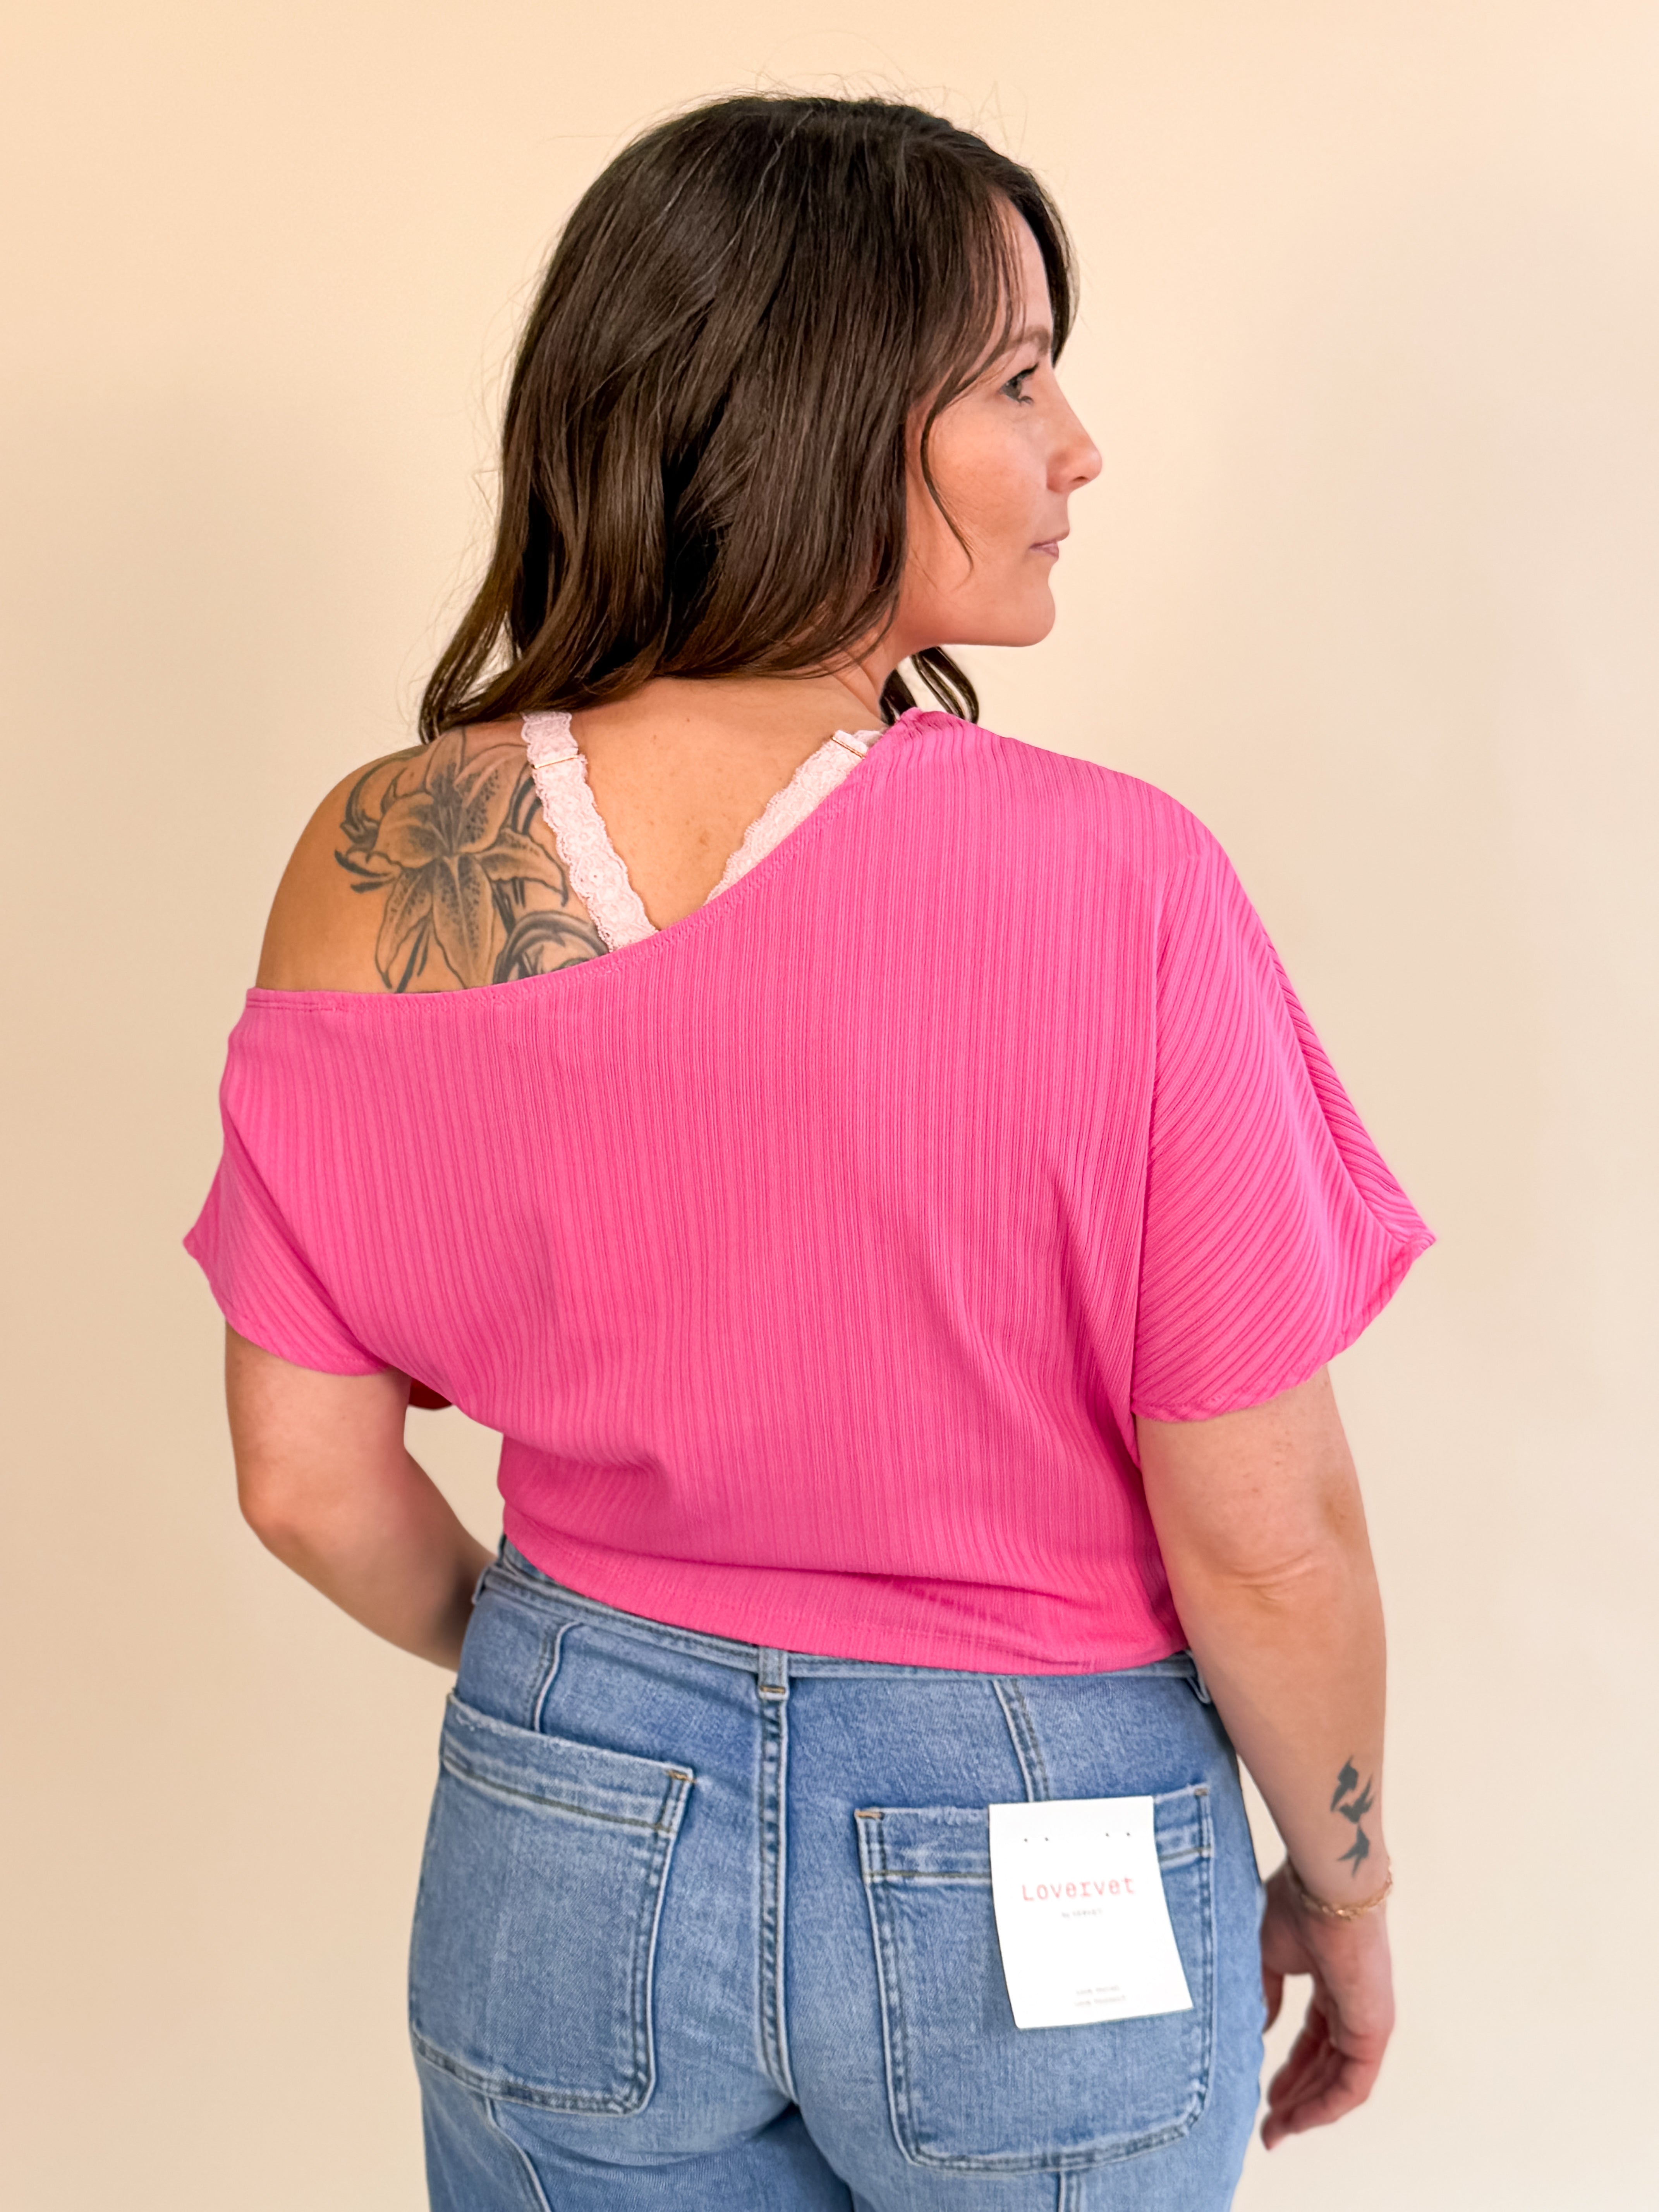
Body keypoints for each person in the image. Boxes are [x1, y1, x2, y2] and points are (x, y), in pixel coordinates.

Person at [187, 94, 1431, 2212]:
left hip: (564, 1813)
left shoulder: (375, 858)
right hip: (1041, 1831)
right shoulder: (1118, 881)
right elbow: (1270, 1542)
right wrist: (1345, 1884)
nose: (1078, 447)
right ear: (829, 409)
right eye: (1017, 377)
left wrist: (597, 1690)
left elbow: (305, 1482)